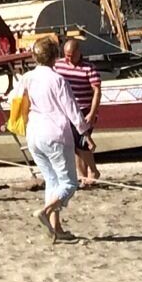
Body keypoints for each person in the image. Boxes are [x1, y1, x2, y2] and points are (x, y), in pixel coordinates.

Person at [18, 35, 92, 241]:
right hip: (55, 134)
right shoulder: (57, 79)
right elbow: (72, 109)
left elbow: (15, 100)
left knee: (53, 181)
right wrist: (85, 132)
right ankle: (45, 210)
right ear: (55, 57)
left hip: (34, 133)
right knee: (69, 184)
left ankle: (56, 228)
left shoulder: (27, 77)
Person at [54, 35, 103, 184]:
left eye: (71, 56)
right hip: (67, 109)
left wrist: (92, 112)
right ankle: (84, 177)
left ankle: (93, 171)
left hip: (84, 109)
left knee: (81, 142)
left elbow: (97, 91)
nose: (68, 59)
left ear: (78, 53)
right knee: (75, 146)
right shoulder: (58, 66)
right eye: (66, 55)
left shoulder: (89, 68)